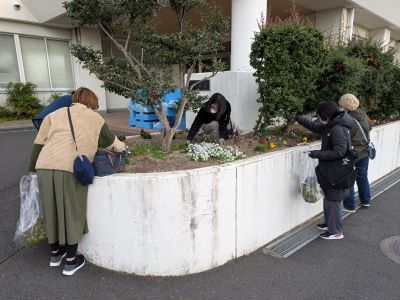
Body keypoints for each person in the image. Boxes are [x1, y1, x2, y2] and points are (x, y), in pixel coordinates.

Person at [28, 87, 126, 276]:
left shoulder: (54, 114)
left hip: (44, 167)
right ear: (91, 102)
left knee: (51, 210)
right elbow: (110, 142)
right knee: (73, 212)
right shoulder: (95, 118)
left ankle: (55, 255)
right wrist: (122, 148)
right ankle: (71, 261)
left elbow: (38, 144)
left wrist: (32, 170)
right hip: (71, 168)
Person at [295, 101, 354, 240]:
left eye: (321, 115)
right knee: (329, 197)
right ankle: (329, 224)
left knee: (333, 199)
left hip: (337, 171)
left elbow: (339, 152)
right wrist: (298, 118)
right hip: (331, 169)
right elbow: (316, 127)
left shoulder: (337, 128)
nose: (320, 118)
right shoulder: (332, 125)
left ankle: (335, 231)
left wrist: (315, 154)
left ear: (327, 115)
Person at [338, 94, 372, 212]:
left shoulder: (346, 119)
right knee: (362, 176)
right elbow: (369, 128)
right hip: (365, 151)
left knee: (349, 179)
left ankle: (349, 205)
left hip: (352, 153)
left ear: (343, 106)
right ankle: (366, 200)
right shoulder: (363, 114)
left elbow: (343, 136)